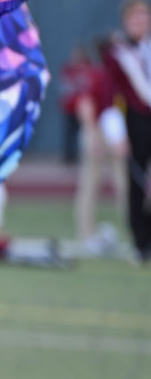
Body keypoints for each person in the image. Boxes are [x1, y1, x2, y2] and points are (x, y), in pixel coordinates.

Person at [59, 43, 127, 255]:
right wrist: (93, 134)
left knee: (122, 184)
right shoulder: (95, 74)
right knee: (91, 183)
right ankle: (86, 233)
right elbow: (85, 103)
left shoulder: (112, 74)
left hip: (110, 129)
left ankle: (135, 232)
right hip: (98, 129)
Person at [101, 0, 151, 263]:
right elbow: (110, 96)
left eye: (144, 16)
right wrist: (117, 134)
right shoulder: (118, 54)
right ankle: (141, 242)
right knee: (137, 185)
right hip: (136, 122)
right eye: (135, 17)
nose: (140, 22)